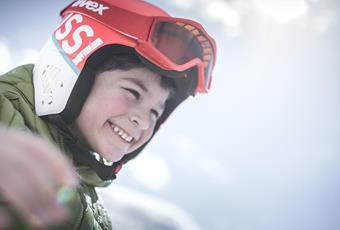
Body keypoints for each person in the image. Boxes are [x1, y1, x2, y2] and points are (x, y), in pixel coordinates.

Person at [0, 0, 217, 229]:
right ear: (74, 70)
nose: (143, 121)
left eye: (155, 112)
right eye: (133, 92)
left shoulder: (86, 199)